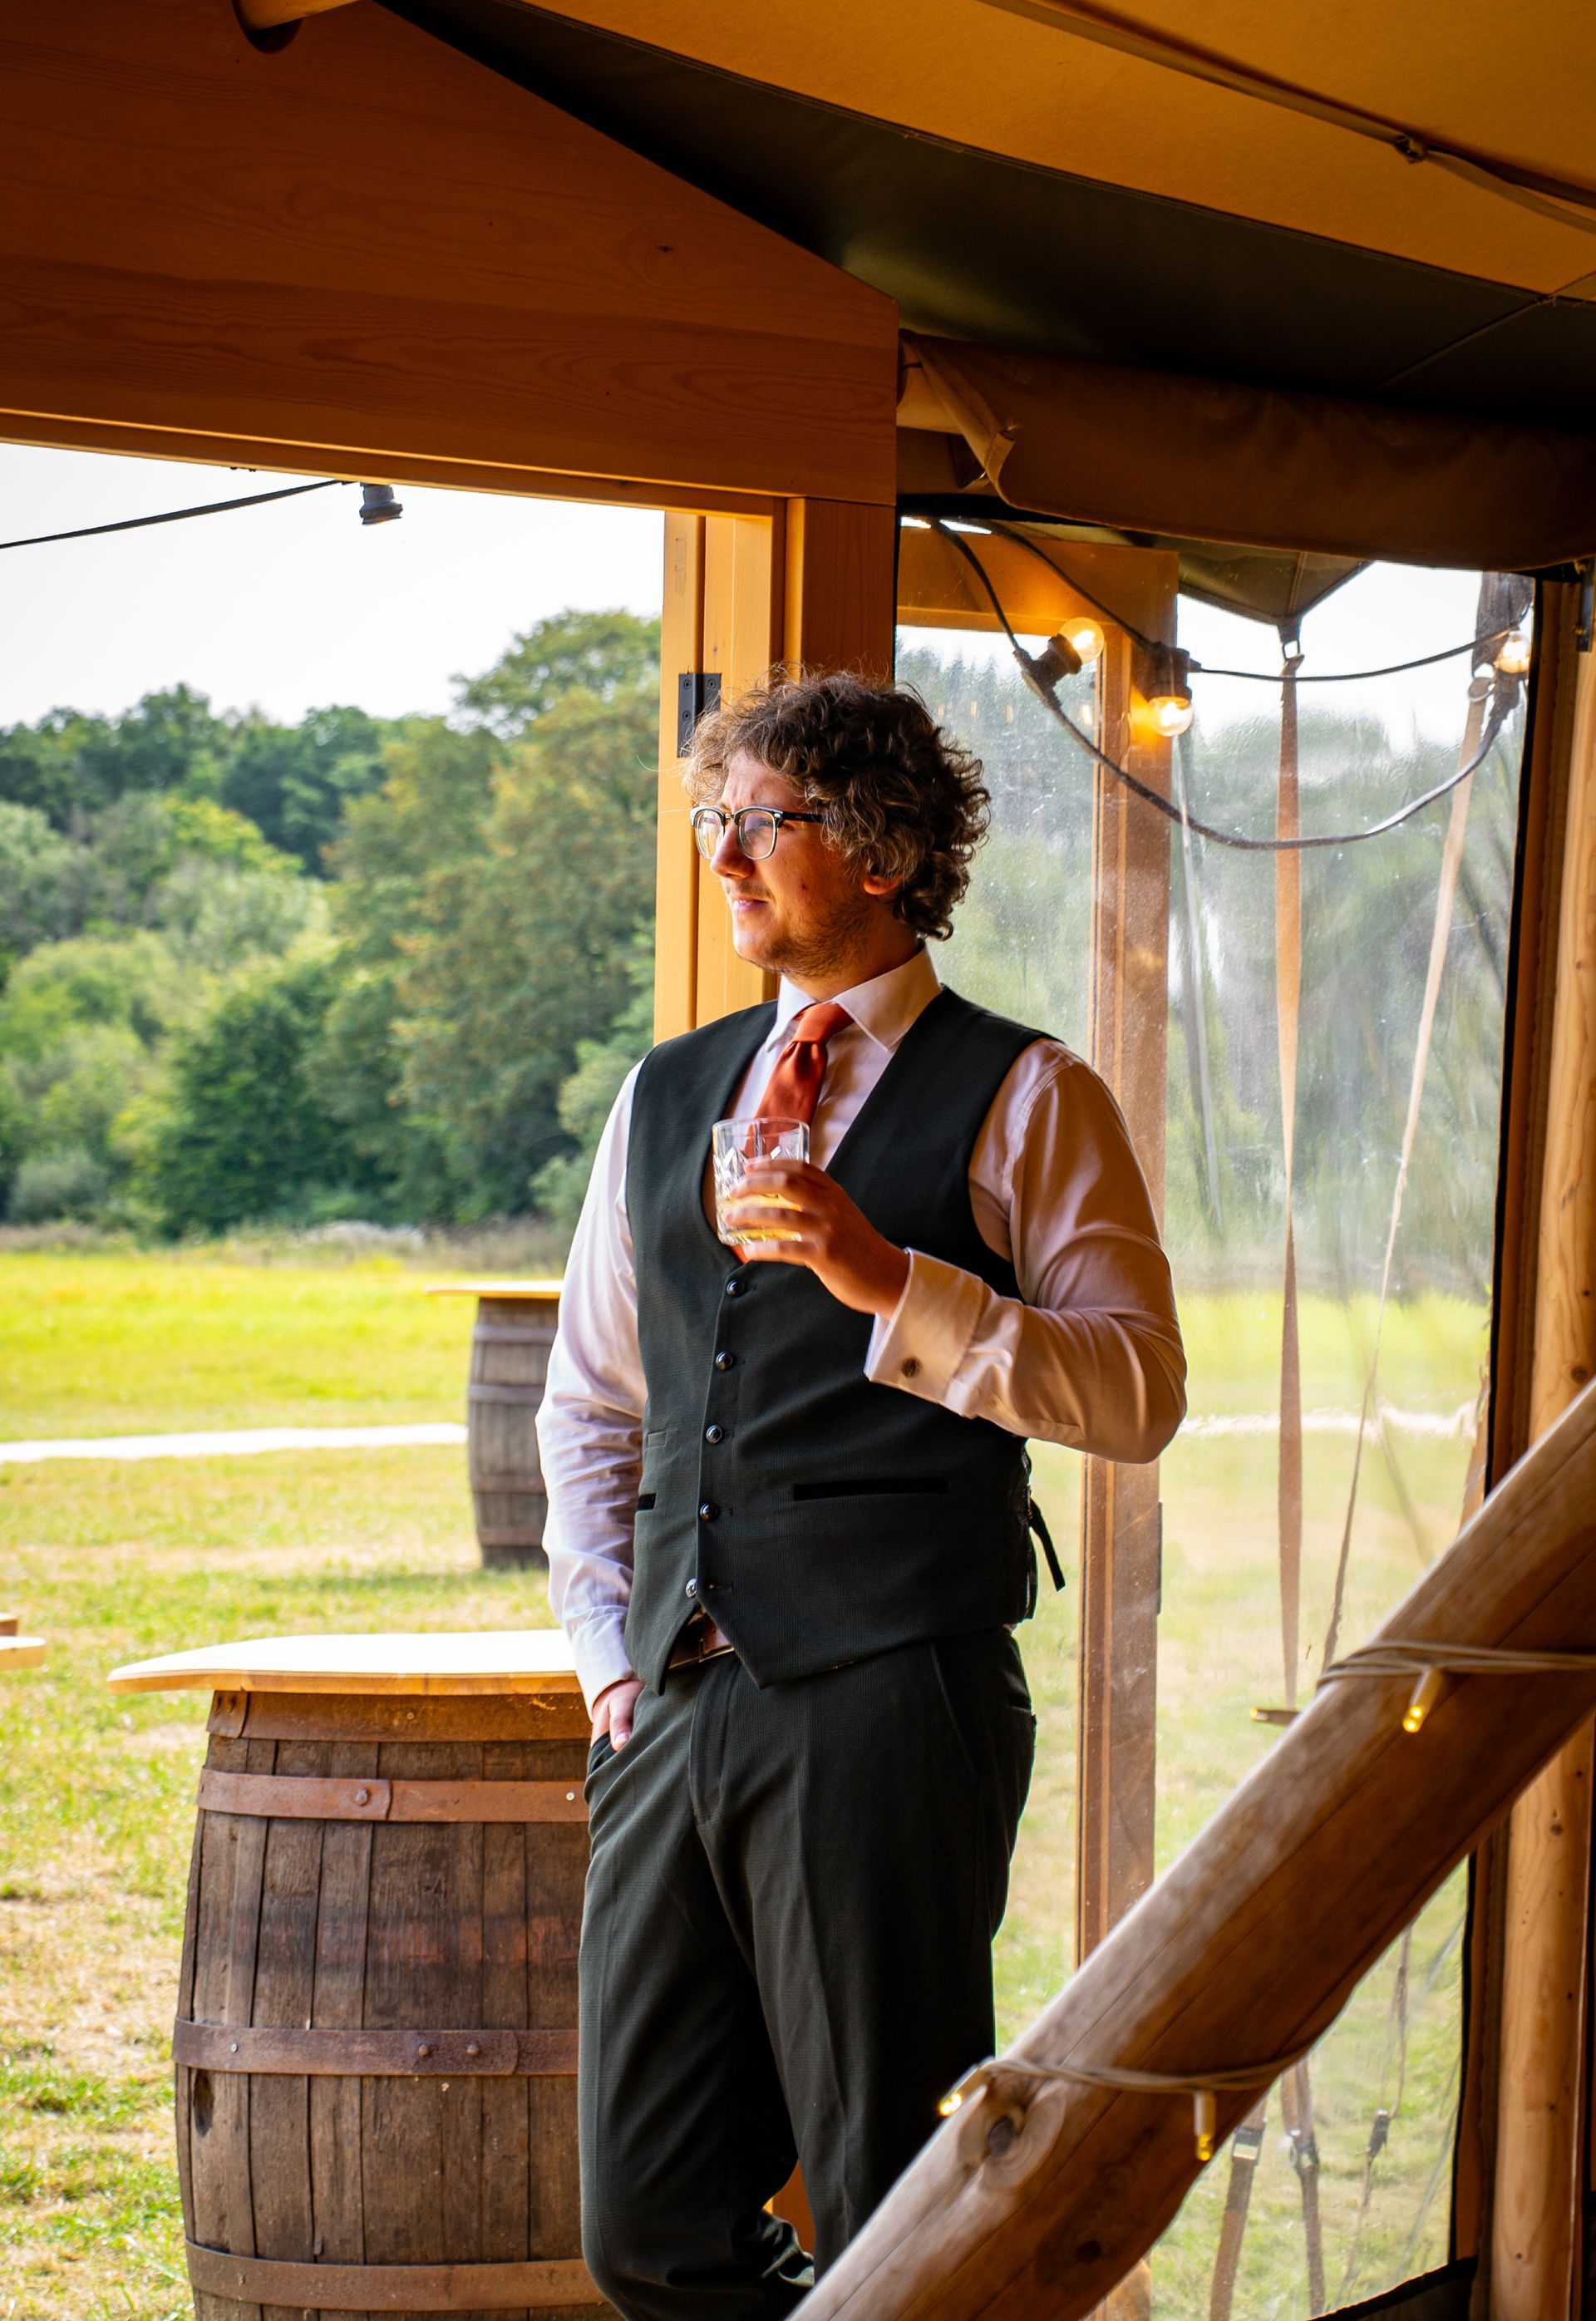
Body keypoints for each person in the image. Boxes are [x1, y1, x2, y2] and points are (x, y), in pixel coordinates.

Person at [539, 670, 1185, 2321]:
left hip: (894, 1694)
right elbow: (596, 1404)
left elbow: (1136, 1392)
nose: (725, 858)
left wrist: (892, 1278)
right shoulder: (664, 1096)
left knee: (891, 2196)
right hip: (674, 1705)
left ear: (881, 847)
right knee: (650, 2221)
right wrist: (610, 1655)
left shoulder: (1033, 1096)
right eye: (714, 823)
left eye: (760, 822)